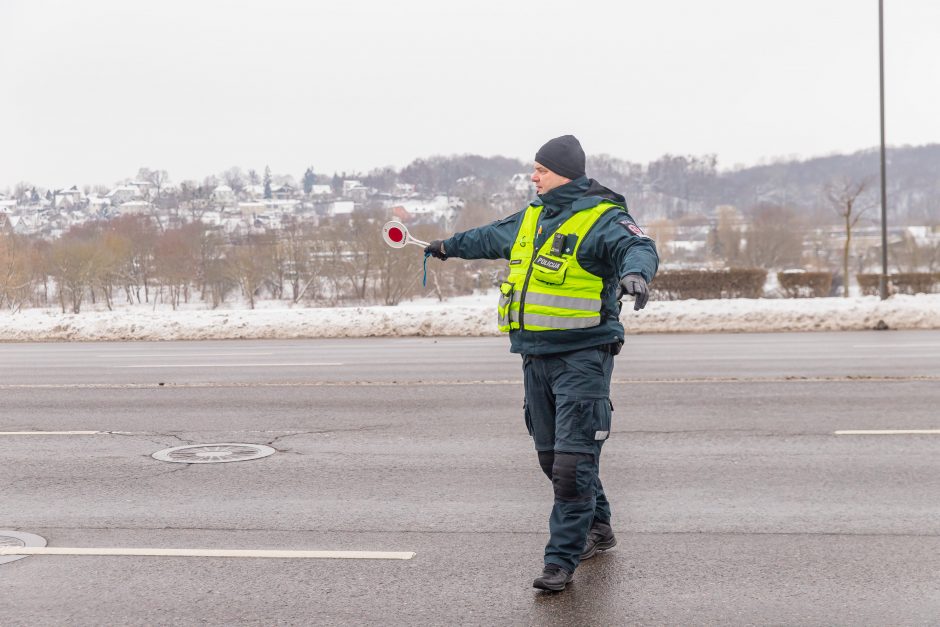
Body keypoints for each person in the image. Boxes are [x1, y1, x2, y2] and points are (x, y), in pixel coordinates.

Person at [424, 135, 659, 592]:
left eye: (541, 170)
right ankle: (599, 527)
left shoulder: (603, 217)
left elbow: (640, 246)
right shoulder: (533, 216)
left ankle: (560, 562)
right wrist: (446, 246)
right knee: (554, 458)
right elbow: (488, 236)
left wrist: (635, 274)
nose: (533, 177)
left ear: (564, 172)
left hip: (584, 356)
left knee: (572, 465)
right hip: (536, 356)